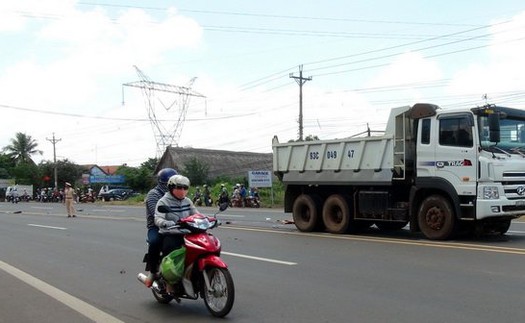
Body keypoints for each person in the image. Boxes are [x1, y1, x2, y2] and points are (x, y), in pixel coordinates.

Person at [154, 175, 198, 285]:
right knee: (171, 253)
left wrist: (207, 219)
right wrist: (165, 223)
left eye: (185, 188)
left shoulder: (187, 201)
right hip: (170, 233)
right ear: (171, 187)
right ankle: (168, 281)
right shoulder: (163, 202)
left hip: (187, 233)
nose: (182, 191)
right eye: (179, 187)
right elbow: (158, 218)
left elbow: (196, 214)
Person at [143, 167, 178, 287]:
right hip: (156, 227)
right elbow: (156, 214)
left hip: (176, 226)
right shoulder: (154, 194)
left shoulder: (178, 195)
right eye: (170, 184)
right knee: (155, 242)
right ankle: (153, 272)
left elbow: (190, 208)